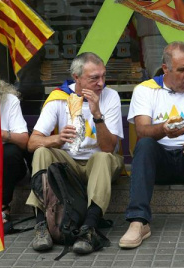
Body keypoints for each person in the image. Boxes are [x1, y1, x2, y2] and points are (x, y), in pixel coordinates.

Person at [119, 41, 184, 248]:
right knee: (145, 144)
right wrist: (164, 130)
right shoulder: (145, 90)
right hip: (158, 165)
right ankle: (138, 221)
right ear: (166, 68)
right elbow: (141, 129)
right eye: (182, 70)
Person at [25, 52, 124, 254]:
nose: (101, 82)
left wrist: (97, 115)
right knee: (42, 152)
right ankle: (41, 225)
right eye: (94, 78)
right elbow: (32, 142)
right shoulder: (59, 98)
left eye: (103, 76)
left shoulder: (110, 96)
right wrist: (57, 139)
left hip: (99, 164)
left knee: (103, 157)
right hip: (68, 162)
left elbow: (108, 148)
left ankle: (89, 228)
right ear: (76, 77)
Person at [0, 78, 29, 234]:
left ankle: (3, 208)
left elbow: (24, 141)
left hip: (7, 165)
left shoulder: (9, 100)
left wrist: (1, 134)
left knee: (10, 152)